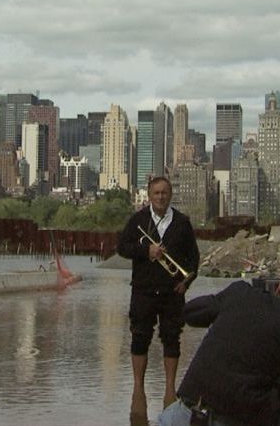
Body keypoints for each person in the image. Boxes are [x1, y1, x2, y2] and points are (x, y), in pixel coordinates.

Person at [158, 262, 280, 426]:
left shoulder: (240, 293)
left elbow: (191, 313)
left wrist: (227, 310)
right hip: (235, 420)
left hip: (188, 414)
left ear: (279, 286)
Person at [117, 176, 200, 418]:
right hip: (143, 290)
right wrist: (147, 250)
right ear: (149, 195)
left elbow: (193, 260)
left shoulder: (183, 223)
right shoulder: (138, 220)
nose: (161, 197)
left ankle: (169, 390)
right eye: (156, 193)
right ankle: (138, 390)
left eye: (164, 193)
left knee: (172, 338)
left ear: (170, 195)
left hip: (172, 292)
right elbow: (122, 247)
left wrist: (187, 281)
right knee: (139, 336)